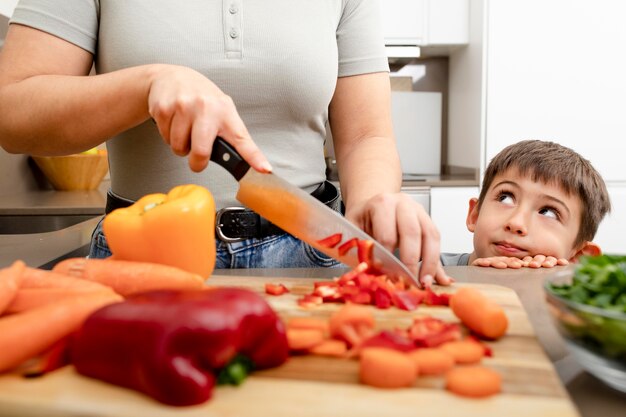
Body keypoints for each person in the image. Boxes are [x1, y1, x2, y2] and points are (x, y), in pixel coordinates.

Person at [0, 1, 451, 286]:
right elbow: (11, 110)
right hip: (141, 260)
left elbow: (366, 136)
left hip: (310, 255)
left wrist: (375, 200)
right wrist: (148, 84)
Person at [440, 140, 611, 268]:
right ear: (474, 215)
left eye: (548, 212)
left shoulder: (575, 310)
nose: (516, 223)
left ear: (579, 257)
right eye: (505, 198)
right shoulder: (425, 273)